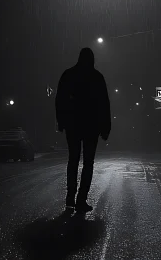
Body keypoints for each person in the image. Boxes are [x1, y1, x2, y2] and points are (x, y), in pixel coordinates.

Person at [55, 47, 111, 212]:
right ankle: (80, 199)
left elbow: (60, 100)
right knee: (88, 163)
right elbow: (104, 104)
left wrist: (61, 121)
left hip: (73, 124)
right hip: (91, 126)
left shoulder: (68, 75)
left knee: (73, 160)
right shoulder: (96, 77)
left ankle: (70, 197)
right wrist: (105, 127)